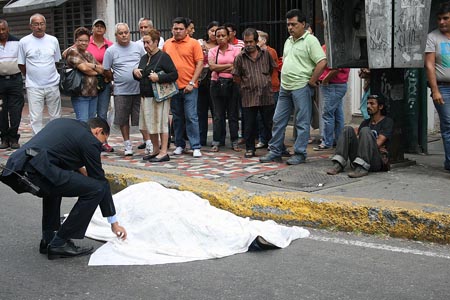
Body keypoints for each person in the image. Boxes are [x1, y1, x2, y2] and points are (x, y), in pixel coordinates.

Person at [0, 117, 127, 260]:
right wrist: (113, 223)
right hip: (38, 169)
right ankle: (59, 242)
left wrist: (80, 170)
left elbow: (57, 149)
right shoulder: (89, 140)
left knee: (55, 184)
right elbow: (100, 182)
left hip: (18, 165)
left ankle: (48, 238)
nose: (101, 145)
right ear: (98, 131)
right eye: (103, 141)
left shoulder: (64, 122)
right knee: (96, 189)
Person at [260, 9, 326, 165]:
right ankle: (275, 151)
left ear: (303, 24)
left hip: (301, 87)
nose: (290, 27)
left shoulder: (310, 40)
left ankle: (300, 153)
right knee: (278, 120)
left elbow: (322, 61)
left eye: (294, 24)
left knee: (301, 122)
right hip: (286, 86)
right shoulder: (289, 40)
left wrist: (311, 81)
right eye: (288, 24)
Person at [133, 29, 178, 162]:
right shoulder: (144, 57)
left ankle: (164, 152)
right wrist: (135, 72)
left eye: (148, 42)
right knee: (149, 125)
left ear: (156, 42)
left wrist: (158, 77)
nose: (146, 45)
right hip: (145, 95)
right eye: (144, 43)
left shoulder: (163, 56)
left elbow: (174, 74)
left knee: (161, 124)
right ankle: (156, 149)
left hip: (159, 97)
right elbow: (141, 74)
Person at [103, 23, 147, 156]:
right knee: (123, 119)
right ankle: (127, 143)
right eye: (120, 33)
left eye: (126, 32)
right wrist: (116, 78)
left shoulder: (138, 47)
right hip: (121, 91)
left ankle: (148, 142)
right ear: (116, 35)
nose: (124, 35)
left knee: (141, 118)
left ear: (130, 33)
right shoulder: (110, 50)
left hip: (139, 89)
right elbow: (106, 70)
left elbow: (145, 62)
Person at [163, 17, 203, 157]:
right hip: (173, 87)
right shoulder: (167, 44)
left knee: (191, 116)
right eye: (175, 28)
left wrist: (192, 82)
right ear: (171, 29)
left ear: (186, 30)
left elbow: (199, 64)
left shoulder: (194, 43)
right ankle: (179, 144)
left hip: (190, 86)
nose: (178, 31)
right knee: (177, 117)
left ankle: (195, 146)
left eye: (181, 29)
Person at [233, 28, 276, 158]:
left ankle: (274, 146)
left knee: (269, 123)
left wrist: (264, 81)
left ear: (257, 41)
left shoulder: (266, 54)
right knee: (249, 124)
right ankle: (250, 148)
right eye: (246, 42)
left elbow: (271, 69)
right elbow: (236, 76)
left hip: (266, 94)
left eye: (251, 42)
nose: (248, 45)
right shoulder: (240, 57)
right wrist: (245, 86)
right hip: (248, 95)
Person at [326, 94, 393, 178]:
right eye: (367, 103)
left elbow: (378, 143)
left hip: (376, 160)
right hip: (360, 158)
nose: (368, 106)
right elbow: (358, 141)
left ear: (380, 106)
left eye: (372, 104)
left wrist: (365, 138)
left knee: (365, 130)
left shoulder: (387, 122)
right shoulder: (365, 122)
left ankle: (362, 168)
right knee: (347, 129)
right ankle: (338, 164)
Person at [17, 13, 61, 135]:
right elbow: (21, 64)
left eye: (42, 24)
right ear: (30, 26)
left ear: (45, 25)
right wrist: (30, 75)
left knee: (55, 115)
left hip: (52, 83)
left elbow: (56, 61)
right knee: (35, 117)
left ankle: (55, 138)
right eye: (36, 24)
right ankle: (38, 140)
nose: (39, 27)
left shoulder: (53, 40)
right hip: (33, 85)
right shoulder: (24, 42)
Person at [425, 2, 450, 172]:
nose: (442, 22)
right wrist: (435, 90)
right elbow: (429, 65)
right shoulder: (432, 37)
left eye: (446, 18)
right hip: (443, 87)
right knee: (448, 124)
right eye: (439, 19)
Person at [208, 26, 241, 152]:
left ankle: (234, 141)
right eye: (218, 36)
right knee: (218, 114)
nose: (220, 38)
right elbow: (212, 67)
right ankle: (216, 141)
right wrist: (228, 66)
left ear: (228, 36)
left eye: (223, 35)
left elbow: (236, 67)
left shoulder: (235, 50)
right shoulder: (213, 51)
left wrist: (220, 67)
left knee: (233, 114)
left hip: (232, 83)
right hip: (216, 84)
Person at [313, 44, 350, 151]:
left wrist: (325, 80)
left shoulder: (335, 47)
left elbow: (336, 68)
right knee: (338, 114)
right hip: (337, 84)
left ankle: (327, 142)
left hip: (332, 84)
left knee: (327, 114)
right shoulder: (333, 46)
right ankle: (338, 140)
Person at [65, 27, 104, 122]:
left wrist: (90, 66)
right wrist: (94, 69)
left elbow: (102, 69)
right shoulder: (73, 52)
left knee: (91, 123)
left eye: (86, 41)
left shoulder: (88, 54)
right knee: (83, 122)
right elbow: (84, 69)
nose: (84, 43)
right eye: (80, 40)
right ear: (75, 41)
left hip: (93, 93)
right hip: (80, 93)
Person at [88, 19, 114, 152]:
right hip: (89, 83)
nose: (99, 28)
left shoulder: (110, 45)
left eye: (101, 26)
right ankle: (89, 141)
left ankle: (103, 141)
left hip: (105, 82)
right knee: (91, 114)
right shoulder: (86, 43)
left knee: (103, 113)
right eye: (96, 26)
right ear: (92, 28)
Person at [0, 19, 24, 149]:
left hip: (15, 80)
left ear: (8, 29)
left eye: (3, 29)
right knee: (1, 111)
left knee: (15, 110)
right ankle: (4, 138)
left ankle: (13, 138)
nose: (1, 32)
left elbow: (24, 60)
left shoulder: (18, 42)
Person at [255, 30, 280, 150]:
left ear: (263, 41)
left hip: (272, 87)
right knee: (260, 117)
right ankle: (262, 139)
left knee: (271, 116)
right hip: (258, 88)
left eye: (257, 39)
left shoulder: (270, 51)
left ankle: (272, 140)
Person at [197, 21, 219, 146]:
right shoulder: (200, 43)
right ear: (207, 31)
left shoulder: (222, 46)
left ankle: (217, 139)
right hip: (202, 81)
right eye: (211, 31)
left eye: (217, 31)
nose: (214, 34)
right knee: (201, 112)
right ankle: (201, 139)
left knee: (216, 111)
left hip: (215, 80)